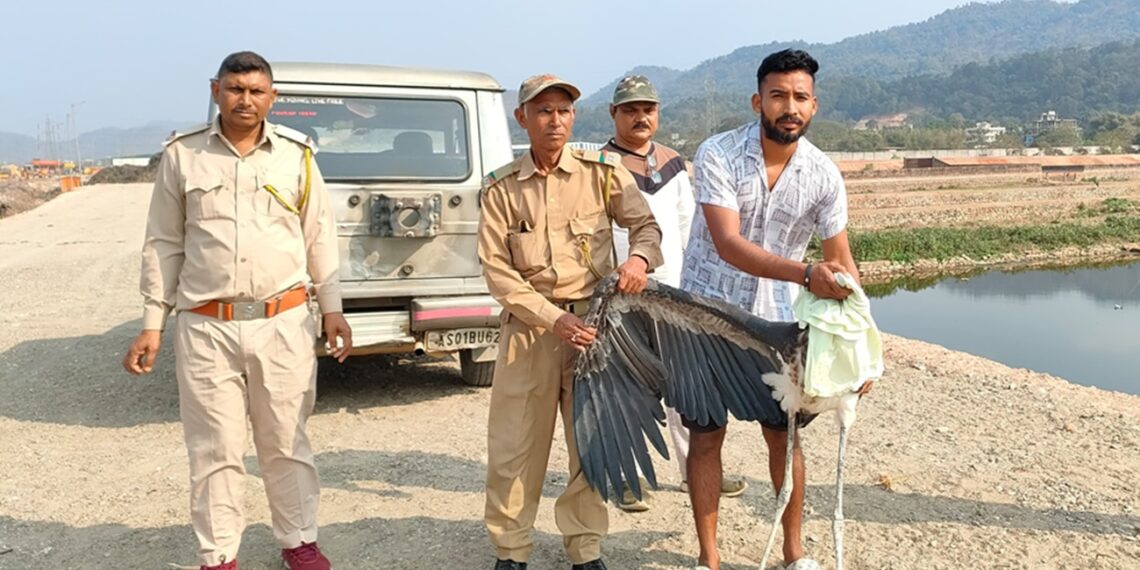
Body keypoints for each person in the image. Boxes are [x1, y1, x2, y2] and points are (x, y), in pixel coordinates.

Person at [121, 51, 352, 570]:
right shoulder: (183, 156)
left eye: (255, 90)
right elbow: (162, 242)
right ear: (215, 90)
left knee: (286, 439)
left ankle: (299, 541)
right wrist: (152, 324)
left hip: (285, 321)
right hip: (207, 324)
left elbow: (320, 237)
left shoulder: (296, 156)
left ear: (273, 97)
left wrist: (332, 308)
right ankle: (219, 553)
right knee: (214, 448)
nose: (244, 99)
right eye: (234, 89)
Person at [677, 49, 869, 570]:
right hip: (707, 316)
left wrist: (864, 350)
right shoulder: (718, 153)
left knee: (784, 437)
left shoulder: (824, 175)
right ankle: (709, 558)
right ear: (758, 100)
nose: (790, 107)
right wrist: (807, 274)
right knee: (706, 432)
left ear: (814, 106)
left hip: (779, 322)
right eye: (779, 95)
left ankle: (794, 554)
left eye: (800, 98)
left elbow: (841, 262)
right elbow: (727, 244)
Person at [478, 73, 663, 570]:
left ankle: (585, 549)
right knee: (516, 448)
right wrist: (552, 317)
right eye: (543, 111)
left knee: (589, 444)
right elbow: (497, 271)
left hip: (596, 333)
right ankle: (511, 551)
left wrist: (639, 261)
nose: (554, 119)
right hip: (531, 331)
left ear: (574, 116)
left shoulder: (601, 172)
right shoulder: (500, 189)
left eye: (563, 110)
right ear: (522, 118)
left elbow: (645, 226)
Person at [602, 75, 747, 513]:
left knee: (687, 385)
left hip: (675, 292)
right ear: (614, 114)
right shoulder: (597, 165)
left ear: (658, 113)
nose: (640, 117)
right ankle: (625, 479)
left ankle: (696, 471)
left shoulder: (673, 163)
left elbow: (690, 229)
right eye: (630, 110)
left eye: (647, 109)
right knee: (625, 385)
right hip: (622, 292)